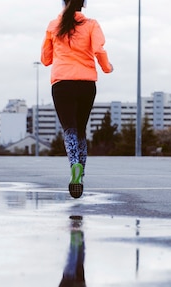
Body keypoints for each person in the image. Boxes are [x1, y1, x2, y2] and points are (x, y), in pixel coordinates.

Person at [41, 0, 113, 198]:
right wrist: (107, 67)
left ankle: (74, 166)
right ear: (84, 4)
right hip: (86, 83)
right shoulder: (91, 25)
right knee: (81, 130)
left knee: (69, 129)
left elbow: (46, 59)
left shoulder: (53, 26)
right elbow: (99, 50)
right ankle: (80, 174)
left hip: (62, 83)